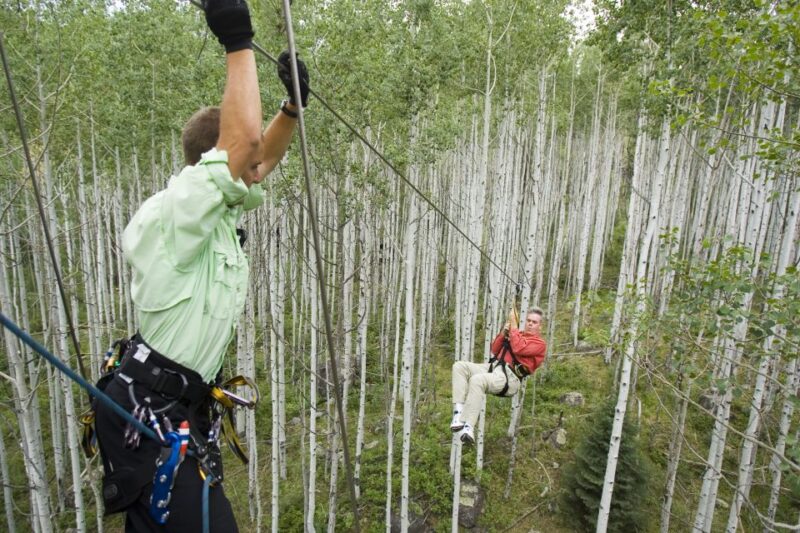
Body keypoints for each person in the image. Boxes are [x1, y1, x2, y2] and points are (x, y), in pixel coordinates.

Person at [93, 1, 310, 530]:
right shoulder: (178, 210)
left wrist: (291, 110)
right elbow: (246, 145)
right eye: (244, 163)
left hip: (178, 407)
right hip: (148, 407)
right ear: (216, 159)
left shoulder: (217, 208)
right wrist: (237, 41)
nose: (257, 171)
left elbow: (259, 157)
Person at [450, 307, 547, 445]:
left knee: (477, 380)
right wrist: (503, 333)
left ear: (540, 326)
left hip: (509, 378)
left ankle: (468, 426)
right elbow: (495, 350)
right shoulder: (516, 335)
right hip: (494, 368)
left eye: (534, 322)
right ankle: (458, 414)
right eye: (528, 320)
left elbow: (519, 348)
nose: (530, 324)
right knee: (459, 367)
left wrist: (513, 327)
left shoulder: (539, 344)